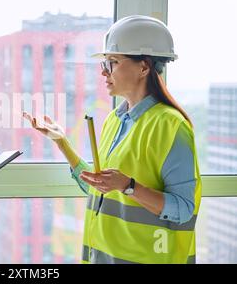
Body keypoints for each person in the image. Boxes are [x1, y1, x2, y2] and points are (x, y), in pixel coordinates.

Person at [23, 15, 202, 264]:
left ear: (144, 67)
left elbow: (183, 209)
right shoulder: (115, 120)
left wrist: (129, 186)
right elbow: (103, 189)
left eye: (113, 62)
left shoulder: (171, 126)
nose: (103, 71)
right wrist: (61, 142)